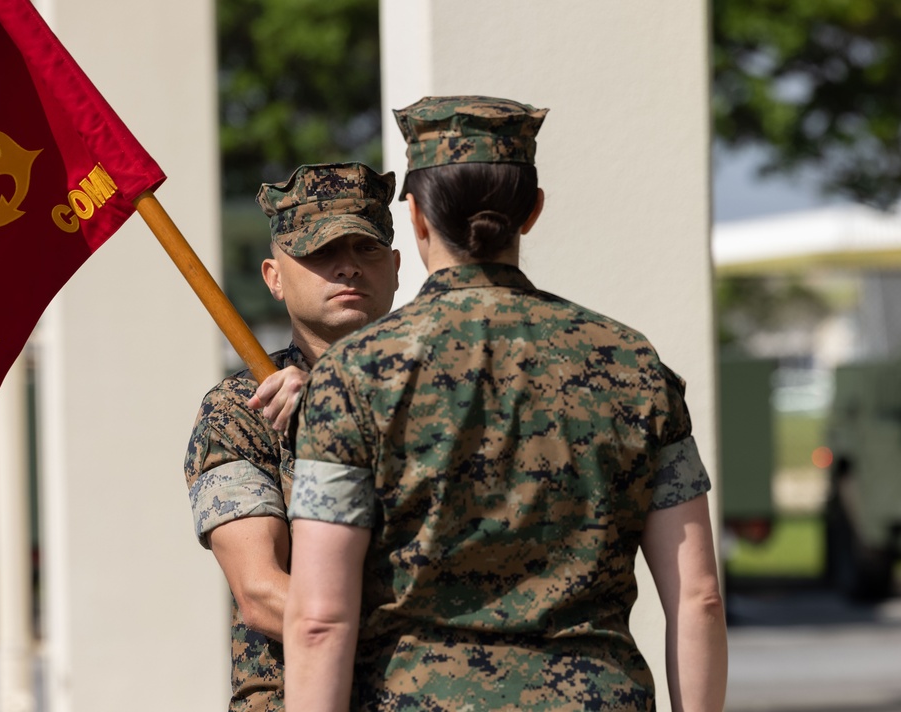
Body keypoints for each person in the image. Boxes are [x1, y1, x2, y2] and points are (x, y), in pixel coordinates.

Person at [284, 96, 728, 712]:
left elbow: (319, 621)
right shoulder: (632, 364)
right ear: (533, 212)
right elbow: (698, 596)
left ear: (414, 218)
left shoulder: (354, 375)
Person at [184, 161, 401, 711]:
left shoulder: (445, 391)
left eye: (366, 249)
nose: (347, 267)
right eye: (320, 253)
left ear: (396, 267)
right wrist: (426, 645)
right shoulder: (239, 412)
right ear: (273, 277)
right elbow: (260, 592)